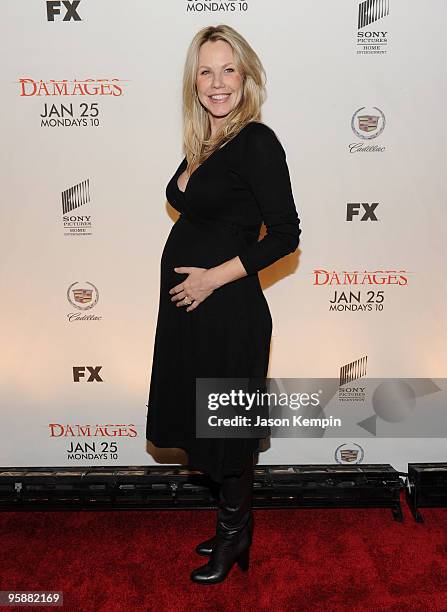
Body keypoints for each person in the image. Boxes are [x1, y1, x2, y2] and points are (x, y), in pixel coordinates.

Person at [145, 24, 301, 584]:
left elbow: (285, 234)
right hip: (193, 317)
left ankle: (236, 537)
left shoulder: (256, 140)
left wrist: (212, 279)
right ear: (194, 80)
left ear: (246, 76)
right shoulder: (205, 144)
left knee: (228, 431)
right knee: (206, 427)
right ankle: (232, 526)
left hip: (229, 313)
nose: (217, 82)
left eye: (228, 69)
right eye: (206, 71)